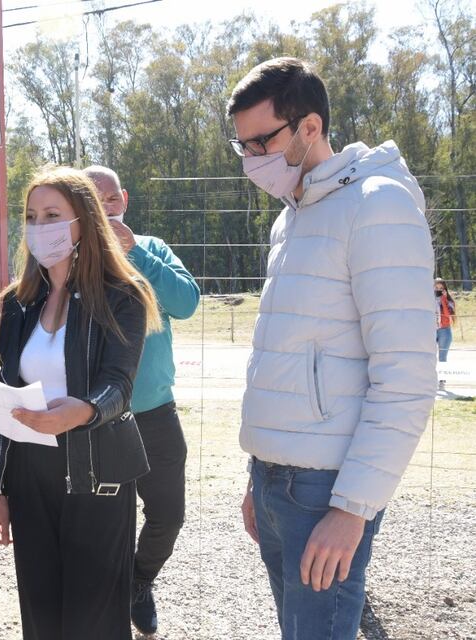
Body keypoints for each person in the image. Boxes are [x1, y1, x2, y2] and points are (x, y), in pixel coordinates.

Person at [228, 58, 436, 639]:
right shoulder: (292, 218)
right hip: (278, 480)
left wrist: (351, 510)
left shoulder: (378, 205)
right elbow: (287, 354)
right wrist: (259, 478)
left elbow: (407, 377)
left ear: (310, 128)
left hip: (327, 489)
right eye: (241, 145)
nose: (251, 160)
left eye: (261, 142)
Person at [0, 166, 161, 640]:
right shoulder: (17, 303)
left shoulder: (124, 295)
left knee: (94, 623)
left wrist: (81, 410)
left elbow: (118, 384)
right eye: (32, 216)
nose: (40, 227)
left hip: (97, 477)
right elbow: (8, 395)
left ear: (83, 220)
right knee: (41, 618)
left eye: (53, 214)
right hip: (29, 479)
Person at [83, 164, 200, 635]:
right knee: (104, 520)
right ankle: (103, 602)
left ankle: (136, 584)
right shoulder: (72, 256)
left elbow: (187, 303)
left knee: (168, 515)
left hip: (153, 411)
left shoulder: (151, 248)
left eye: (110, 199)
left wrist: (135, 253)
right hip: (95, 418)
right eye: (92, 201)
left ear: (124, 201)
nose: (104, 209)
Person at [435, 277, 456, 364]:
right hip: (430, 330)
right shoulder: (427, 300)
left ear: (444, 289)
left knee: (442, 358)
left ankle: (442, 378)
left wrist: (444, 299)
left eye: (441, 288)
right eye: (436, 288)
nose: (438, 290)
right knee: (428, 357)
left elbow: (448, 315)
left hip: (444, 330)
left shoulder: (449, 301)